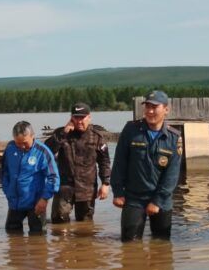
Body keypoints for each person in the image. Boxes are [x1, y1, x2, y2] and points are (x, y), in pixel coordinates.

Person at [110, 90, 182, 241]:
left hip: (161, 200)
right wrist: (117, 191)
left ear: (166, 109)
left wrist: (157, 201)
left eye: (154, 107)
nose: (150, 111)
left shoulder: (174, 138)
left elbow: (172, 175)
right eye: (147, 106)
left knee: (162, 245)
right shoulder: (131, 130)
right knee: (129, 244)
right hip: (134, 198)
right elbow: (119, 162)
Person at [44, 102, 111, 224]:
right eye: (76, 117)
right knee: (59, 222)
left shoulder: (97, 137)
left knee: (85, 224)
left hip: (87, 188)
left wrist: (105, 183)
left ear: (89, 117)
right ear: (71, 118)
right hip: (64, 187)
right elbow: (46, 152)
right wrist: (63, 133)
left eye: (82, 118)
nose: (79, 121)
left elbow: (104, 162)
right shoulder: (61, 133)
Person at [1, 121, 60, 234]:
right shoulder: (10, 148)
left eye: (25, 143)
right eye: (18, 143)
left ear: (32, 136)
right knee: (12, 236)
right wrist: (7, 191)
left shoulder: (43, 151)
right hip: (14, 203)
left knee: (38, 238)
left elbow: (53, 177)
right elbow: (4, 172)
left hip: (36, 204)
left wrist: (44, 199)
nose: (22, 146)